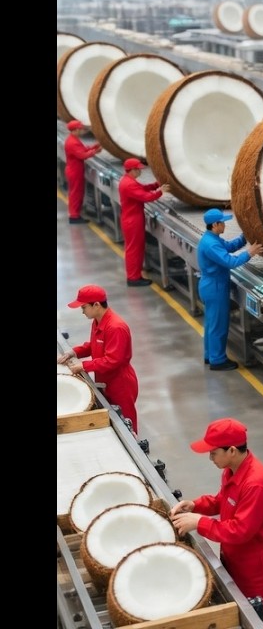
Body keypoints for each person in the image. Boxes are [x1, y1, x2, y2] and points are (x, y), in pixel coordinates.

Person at [171, 418, 263, 629]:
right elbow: (223, 500)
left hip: (256, 564)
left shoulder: (256, 483)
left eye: (213, 452)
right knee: (243, 614)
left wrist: (200, 523)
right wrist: (194, 505)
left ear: (231, 450)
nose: (210, 457)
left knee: (262, 618)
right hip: (235, 557)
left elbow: (240, 530)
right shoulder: (232, 470)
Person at [58, 285, 140, 435]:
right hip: (106, 379)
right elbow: (94, 345)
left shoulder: (116, 327)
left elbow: (114, 360)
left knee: (126, 425)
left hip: (120, 384)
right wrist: (73, 352)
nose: (82, 311)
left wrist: (84, 365)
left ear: (96, 305)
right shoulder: (98, 320)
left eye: (84, 307)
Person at [197, 208, 263, 371]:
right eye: (223, 223)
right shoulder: (211, 244)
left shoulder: (211, 238)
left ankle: (209, 355)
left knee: (212, 323)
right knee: (219, 325)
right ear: (215, 225)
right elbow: (229, 262)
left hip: (211, 285)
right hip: (215, 287)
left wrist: (244, 238)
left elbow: (228, 246)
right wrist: (249, 253)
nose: (225, 225)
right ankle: (218, 360)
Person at [119, 157, 170, 287]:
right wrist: (160, 192)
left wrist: (156, 184)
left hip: (132, 218)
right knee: (134, 249)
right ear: (132, 170)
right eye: (138, 170)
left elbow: (143, 188)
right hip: (133, 220)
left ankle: (135, 275)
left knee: (136, 248)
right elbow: (145, 197)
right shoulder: (129, 184)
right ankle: (133, 278)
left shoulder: (128, 180)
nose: (140, 172)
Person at [64, 120, 101, 224]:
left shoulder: (73, 139)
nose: (81, 130)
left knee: (76, 193)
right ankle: (74, 217)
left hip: (74, 170)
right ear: (75, 130)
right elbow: (83, 155)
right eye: (80, 129)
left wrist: (94, 146)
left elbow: (83, 149)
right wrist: (95, 151)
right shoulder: (72, 142)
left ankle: (75, 214)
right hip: (75, 171)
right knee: (76, 193)